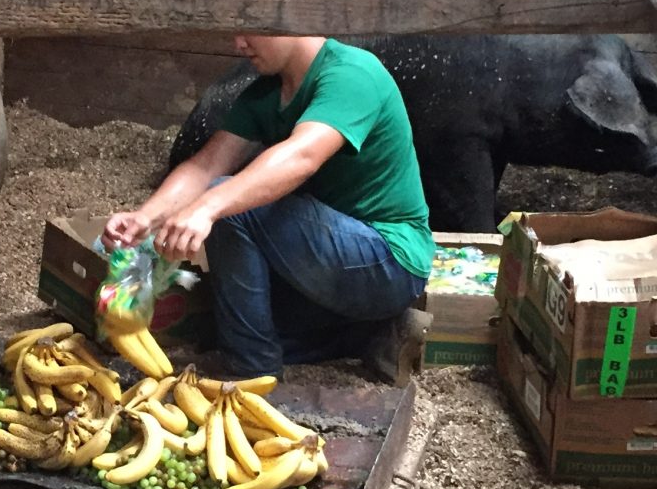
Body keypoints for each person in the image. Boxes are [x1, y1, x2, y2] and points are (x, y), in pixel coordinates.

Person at [102, 35, 435, 383]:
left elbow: (302, 156)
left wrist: (207, 207)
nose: (239, 44)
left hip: (388, 260)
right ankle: (374, 335)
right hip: (319, 259)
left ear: (288, 20)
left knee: (229, 203)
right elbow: (205, 166)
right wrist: (146, 217)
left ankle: (250, 368)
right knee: (216, 323)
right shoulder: (266, 93)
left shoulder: (353, 74)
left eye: (250, 29)